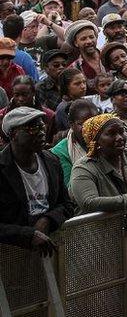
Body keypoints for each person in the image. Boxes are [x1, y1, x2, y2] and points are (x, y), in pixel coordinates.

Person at [0, 107, 75, 254]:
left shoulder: (52, 161)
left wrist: (48, 219)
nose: (41, 133)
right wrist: (28, 234)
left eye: (42, 127)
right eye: (32, 128)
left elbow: (67, 204)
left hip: (50, 249)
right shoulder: (2, 168)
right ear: (14, 134)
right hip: (10, 254)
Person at [50, 99, 99, 187]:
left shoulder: (105, 143)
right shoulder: (60, 152)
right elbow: (71, 187)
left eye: (94, 123)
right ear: (71, 124)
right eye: (82, 124)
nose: (89, 128)